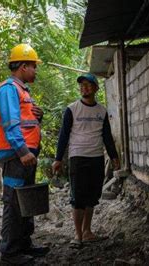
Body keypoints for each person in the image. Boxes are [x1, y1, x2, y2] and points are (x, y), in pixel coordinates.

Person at [0, 43, 50, 264]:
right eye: (33, 66)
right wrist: (23, 151)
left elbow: (26, 122)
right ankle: (9, 253)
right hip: (16, 155)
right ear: (23, 66)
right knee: (14, 202)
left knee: (26, 200)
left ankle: (24, 244)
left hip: (25, 154)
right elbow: (10, 124)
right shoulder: (8, 88)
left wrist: (39, 116)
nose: (35, 70)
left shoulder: (22, 90)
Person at [52, 73, 120, 249]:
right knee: (78, 197)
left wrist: (114, 157)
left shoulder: (102, 111)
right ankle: (78, 235)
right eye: (82, 85)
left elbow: (107, 136)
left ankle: (88, 232)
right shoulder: (72, 109)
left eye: (88, 84)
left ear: (96, 88)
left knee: (92, 196)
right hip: (78, 157)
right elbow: (63, 136)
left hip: (96, 157)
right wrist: (58, 159)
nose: (84, 87)